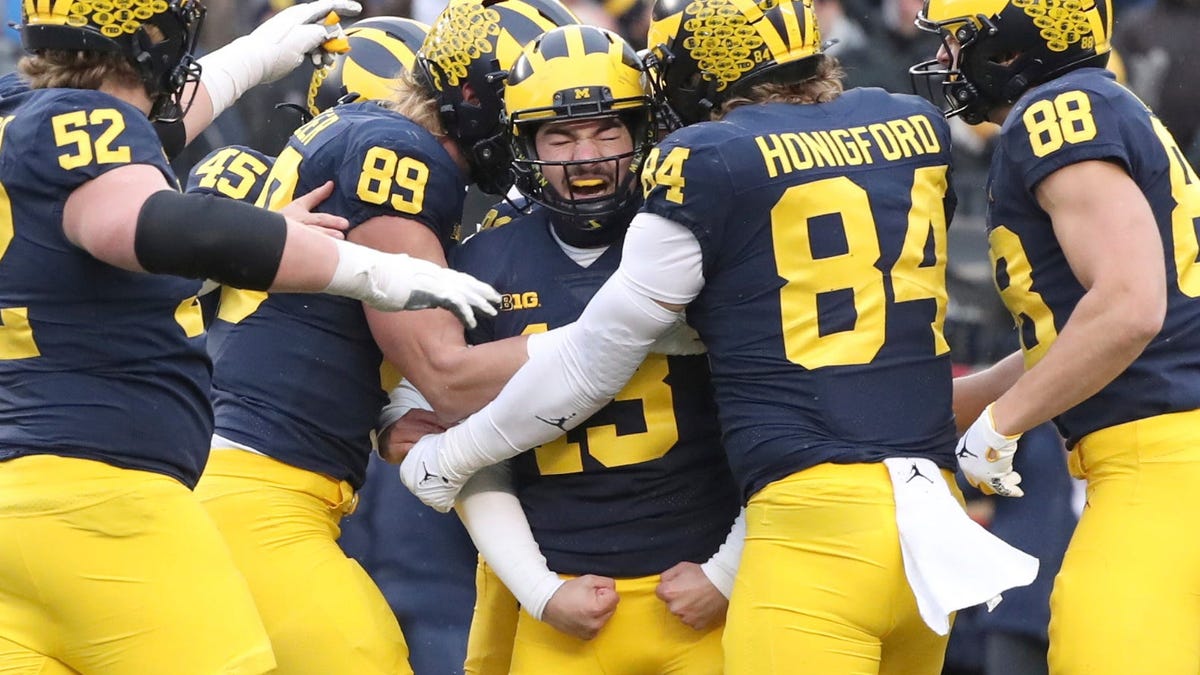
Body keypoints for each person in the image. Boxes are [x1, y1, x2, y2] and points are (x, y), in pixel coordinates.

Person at [397, 0, 1040, 673]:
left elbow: (592, 358)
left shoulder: (707, 163)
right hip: (926, 516)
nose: (585, 156)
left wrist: (449, 456)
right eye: (559, 137)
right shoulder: (910, 124)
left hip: (805, 525)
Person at [0, 1, 500, 674]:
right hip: (97, 492)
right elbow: (147, 225)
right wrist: (370, 270)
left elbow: (141, 153)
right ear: (156, 35)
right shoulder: (83, 129)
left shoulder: (21, 124)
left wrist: (256, 57)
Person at [189, 4, 573, 674]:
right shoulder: (399, 153)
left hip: (245, 474)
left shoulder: (358, 130)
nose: (533, 137)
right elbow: (447, 373)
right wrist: (623, 333)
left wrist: (382, 411)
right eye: (529, 112)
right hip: (259, 490)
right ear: (478, 97)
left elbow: (326, 329)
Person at [387, 24, 743, 674]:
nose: (587, 155)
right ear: (524, 142)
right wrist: (539, 588)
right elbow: (433, 428)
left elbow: (775, 420)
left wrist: (728, 569)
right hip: (567, 605)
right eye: (561, 134)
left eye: (608, 129)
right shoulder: (485, 262)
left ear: (642, 133)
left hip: (699, 594)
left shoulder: (695, 241)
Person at [910, 1, 1200, 673]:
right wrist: (960, 406)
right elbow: (1078, 335)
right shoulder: (1099, 101)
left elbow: (1128, 307)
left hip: (1159, 468)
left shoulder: (1055, 113)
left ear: (1013, 44)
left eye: (961, 40)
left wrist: (1002, 425)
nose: (949, 60)